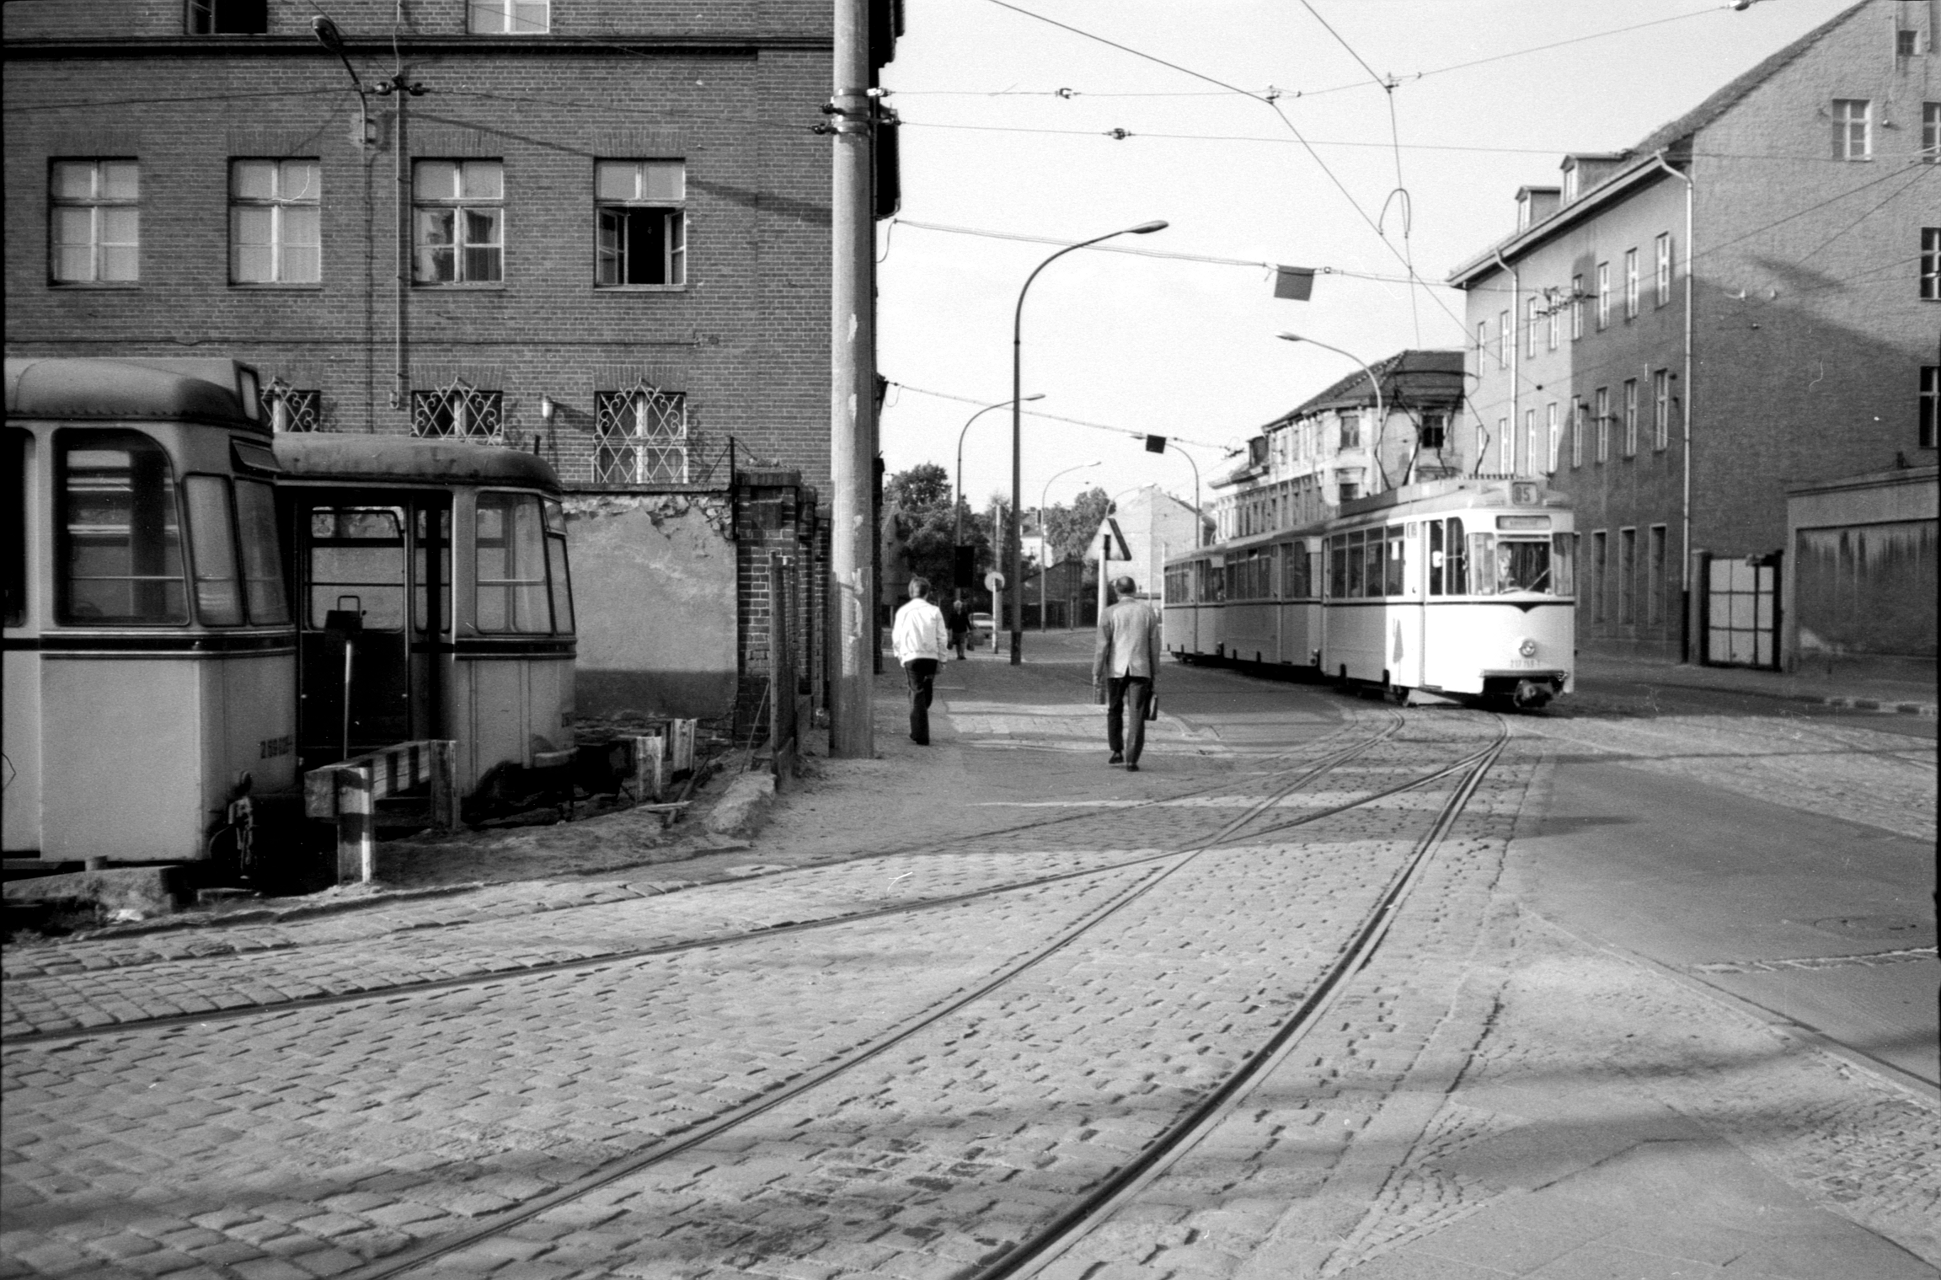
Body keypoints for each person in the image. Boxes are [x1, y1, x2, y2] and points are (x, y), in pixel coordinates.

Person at [1092, 574, 1161, 771]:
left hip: (1116, 670)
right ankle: (1132, 759)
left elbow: (1101, 646)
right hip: (1141, 670)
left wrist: (1097, 671)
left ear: (1116, 592)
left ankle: (1116, 751)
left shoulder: (1109, 613)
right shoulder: (1147, 612)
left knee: (1114, 710)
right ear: (1135, 590)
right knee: (1137, 713)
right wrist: (1155, 671)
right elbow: (1154, 645)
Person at [892, 575, 948, 745]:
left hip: (912, 657)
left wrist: (900, 656)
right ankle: (919, 728)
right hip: (930, 657)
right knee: (925, 692)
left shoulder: (903, 611)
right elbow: (942, 637)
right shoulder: (934, 611)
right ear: (927, 593)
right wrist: (942, 659)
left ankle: (920, 733)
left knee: (917, 693)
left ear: (911, 592)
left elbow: (897, 637)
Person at [946, 588, 972, 660]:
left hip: (963, 630)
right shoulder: (953, 614)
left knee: (962, 642)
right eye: (957, 605)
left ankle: (962, 654)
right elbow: (950, 623)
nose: (958, 606)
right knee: (957, 643)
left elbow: (967, 621)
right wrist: (948, 630)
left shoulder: (964, 613)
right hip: (955, 631)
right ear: (955, 606)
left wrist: (970, 628)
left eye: (959, 605)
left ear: (961, 606)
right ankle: (958, 655)